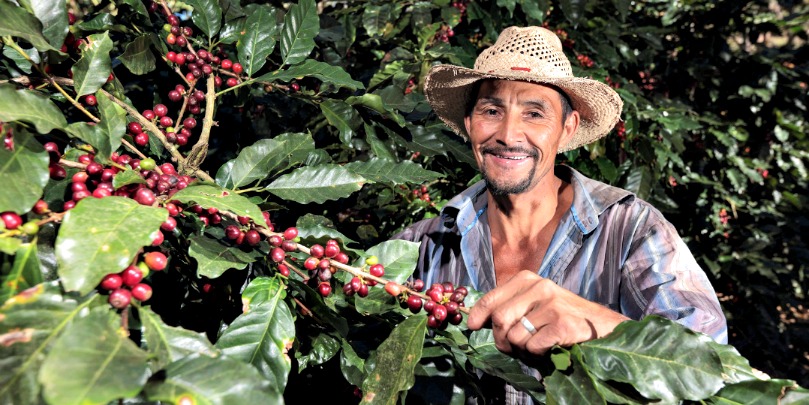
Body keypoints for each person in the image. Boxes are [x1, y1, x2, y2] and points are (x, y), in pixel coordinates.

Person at [394, 25, 728, 402]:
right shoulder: (418, 249)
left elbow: (710, 363)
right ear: (470, 123)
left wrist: (599, 324)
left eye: (534, 113)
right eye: (491, 110)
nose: (509, 133)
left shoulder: (631, 229)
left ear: (567, 129)